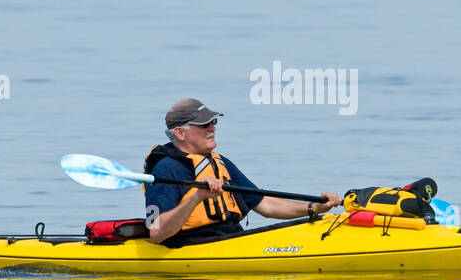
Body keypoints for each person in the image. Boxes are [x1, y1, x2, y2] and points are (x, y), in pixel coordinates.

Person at [143, 98, 342, 247]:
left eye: (214, 122)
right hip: (192, 247)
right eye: (205, 124)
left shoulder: (219, 162)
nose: (213, 128)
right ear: (180, 132)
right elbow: (157, 233)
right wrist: (197, 197)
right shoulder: (165, 168)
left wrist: (313, 208)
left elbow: (265, 204)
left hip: (229, 239)